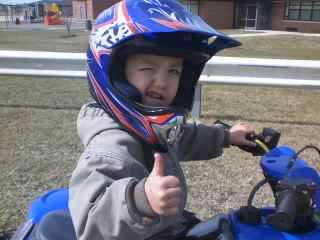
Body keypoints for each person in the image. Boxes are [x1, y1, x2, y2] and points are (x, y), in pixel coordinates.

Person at [69, 0, 256, 239]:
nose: (162, 81)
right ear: (114, 73)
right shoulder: (110, 146)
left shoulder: (154, 129)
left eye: (174, 71)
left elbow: (184, 137)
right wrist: (140, 200)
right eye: (148, 68)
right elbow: (90, 221)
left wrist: (226, 136)